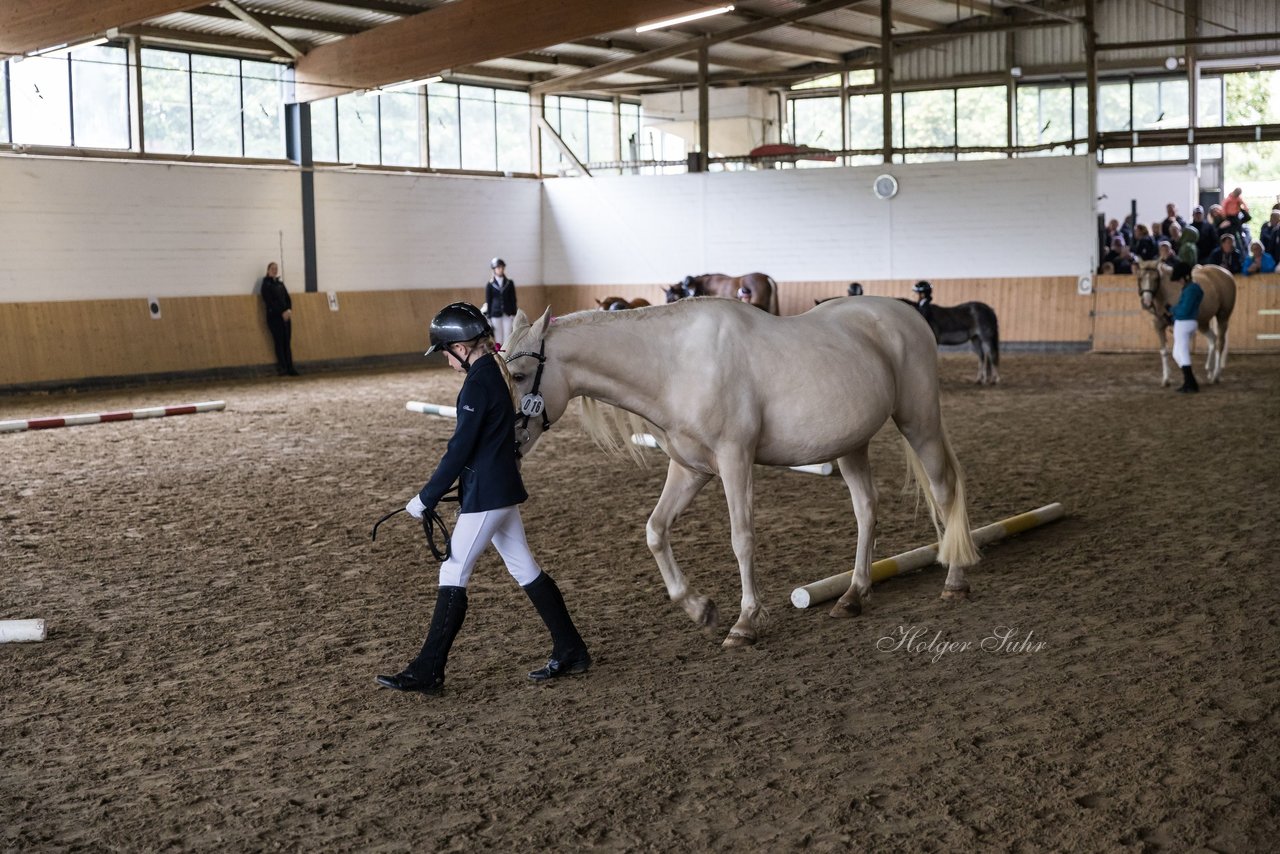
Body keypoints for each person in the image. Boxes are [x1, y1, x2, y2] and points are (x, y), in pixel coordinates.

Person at [376, 302, 591, 695]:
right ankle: (572, 648)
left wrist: (425, 497)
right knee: (524, 568)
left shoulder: (477, 382)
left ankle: (428, 670)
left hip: (488, 493)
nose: (444, 358)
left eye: (445, 350)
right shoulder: (494, 370)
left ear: (461, 346)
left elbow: (459, 449)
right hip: (498, 487)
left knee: (453, 572)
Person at [1165, 261, 1203, 394]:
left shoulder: (1191, 289)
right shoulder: (1190, 288)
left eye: (1180, 279)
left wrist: (1172, 310)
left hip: (1185, 323)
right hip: (1185, 322)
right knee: (1176, 353)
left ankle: (1191, 383)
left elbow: (1185, 310)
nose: (1179, 282)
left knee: (1183, 351)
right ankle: (1190, 380)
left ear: (1185, 277)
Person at [259, 262, 298, 376]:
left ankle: (290, 367)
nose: (275, 270)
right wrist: (281, 312)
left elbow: (287, 297)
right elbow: (269, 301)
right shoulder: (266, 285)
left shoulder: (280, 283)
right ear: (268, 270)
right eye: (273, 268)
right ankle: (283, 367)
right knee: (279, 342)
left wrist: (289, 310)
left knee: (287, 342)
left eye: (276, 268)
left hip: (286, 316)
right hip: (275, 317)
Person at [484, 258, 518, 346]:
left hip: (508, 312)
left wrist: (514, 313)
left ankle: (507, 354)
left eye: (502, 267)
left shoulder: (509, 283)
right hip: (495, 313)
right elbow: (489, 301)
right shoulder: (490, 284)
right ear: (494, 269)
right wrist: (489, 316)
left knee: (508, 335)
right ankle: (500, 355)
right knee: (498, 337)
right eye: (498, 268)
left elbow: (513, 299)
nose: (500, 269)